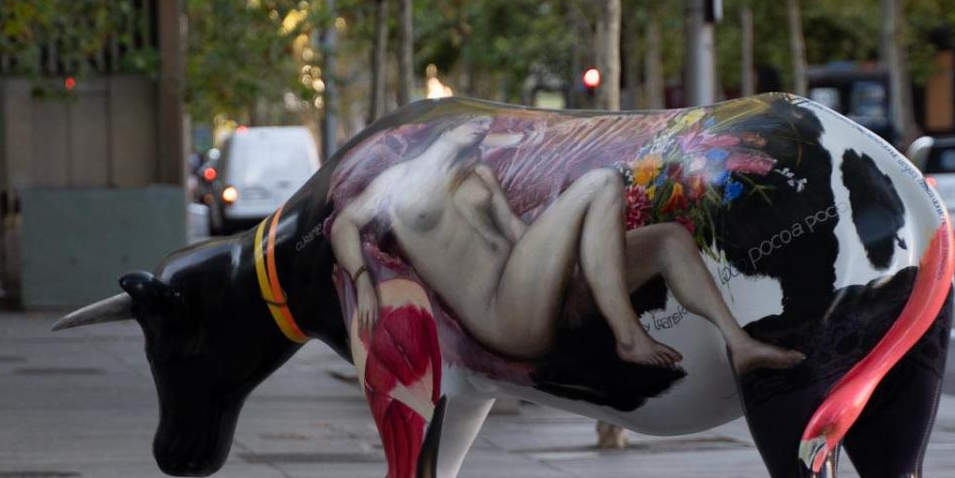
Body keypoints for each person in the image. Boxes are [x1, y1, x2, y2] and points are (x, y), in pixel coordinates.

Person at [330, 117, 803, 373]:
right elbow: (344, 225)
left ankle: (739, 344)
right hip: (500, 316)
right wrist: (362, 282)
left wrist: (582, 263)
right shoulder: (399, 182)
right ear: (441, 131)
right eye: (470, 125)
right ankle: (628, 336)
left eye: (482, 130)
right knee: (599, 182)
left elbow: (519, 239)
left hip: (530, 291)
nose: (479, 130)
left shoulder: (479, 178)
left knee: (668, 239)